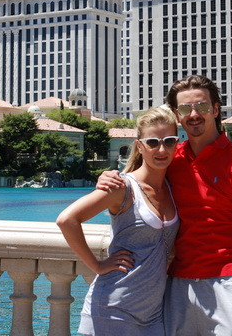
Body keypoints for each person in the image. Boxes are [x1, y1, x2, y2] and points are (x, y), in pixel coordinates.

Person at [98, 75, 232, 335]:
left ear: (215, 109)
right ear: (177, 115)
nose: (194, 115)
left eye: (202, 106)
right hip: (176, 285)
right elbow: (136, 183)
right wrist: (109, 177)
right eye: (186, 109)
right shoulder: (171, 158)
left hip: (226, 283)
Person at [57, 107, 180, 335]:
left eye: (169, 141)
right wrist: (97, 266)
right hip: (112, 309)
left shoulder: (172, 187)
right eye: (153, 142)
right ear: (140, 146)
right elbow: (67, 220)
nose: (162, 149)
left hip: (154, 313)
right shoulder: (122, 187)